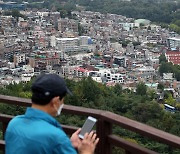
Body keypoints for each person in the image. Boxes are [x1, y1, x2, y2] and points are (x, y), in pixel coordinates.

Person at [5, 73, 99, 154]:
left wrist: (67, 145)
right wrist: (86, 151)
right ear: (56, 101)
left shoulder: (14, 123)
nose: (62, 103)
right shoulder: (56, 137)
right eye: (62, 100)